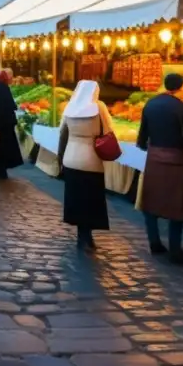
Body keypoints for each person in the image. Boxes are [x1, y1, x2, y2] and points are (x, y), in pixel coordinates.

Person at [136, 73, 183, 264]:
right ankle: (175, 249)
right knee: (177, 204)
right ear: (181, 87)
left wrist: (150, 147)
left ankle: (154, 241)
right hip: (177, 158)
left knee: (151, 200)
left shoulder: (150, 105)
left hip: (154, 156)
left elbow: (142, 137)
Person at [59, 80, 111, 250]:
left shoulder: (70, 107)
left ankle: (81, 234)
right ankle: (87, 235)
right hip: (91, 159)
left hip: (71, 158)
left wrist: (60, 158)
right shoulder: (99, 107)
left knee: (76, 198)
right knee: (91, 198)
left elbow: (62, 133)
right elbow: (108, 130)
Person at [0, 68, 24, 179]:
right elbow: (10, 105)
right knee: (3, 148)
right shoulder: (3, 88)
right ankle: (0, 170)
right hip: (4, 124)